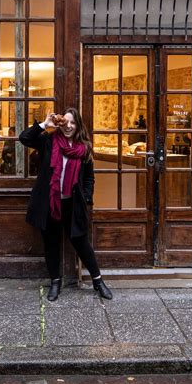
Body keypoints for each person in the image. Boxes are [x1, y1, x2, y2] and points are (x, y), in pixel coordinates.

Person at [19, 108, 113, 302]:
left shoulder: (84, 148)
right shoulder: (48, 140)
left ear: (78, 125)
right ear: (61, 124)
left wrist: (86, 198)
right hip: (50, 202)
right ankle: (55, 282)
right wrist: (45, 125)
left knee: (81, 242)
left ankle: (98, 281)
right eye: (66, 122)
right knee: (51, 243)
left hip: (72, 203)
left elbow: (89, 178)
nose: (69, 126)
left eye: (73, 123)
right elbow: (24, 138)